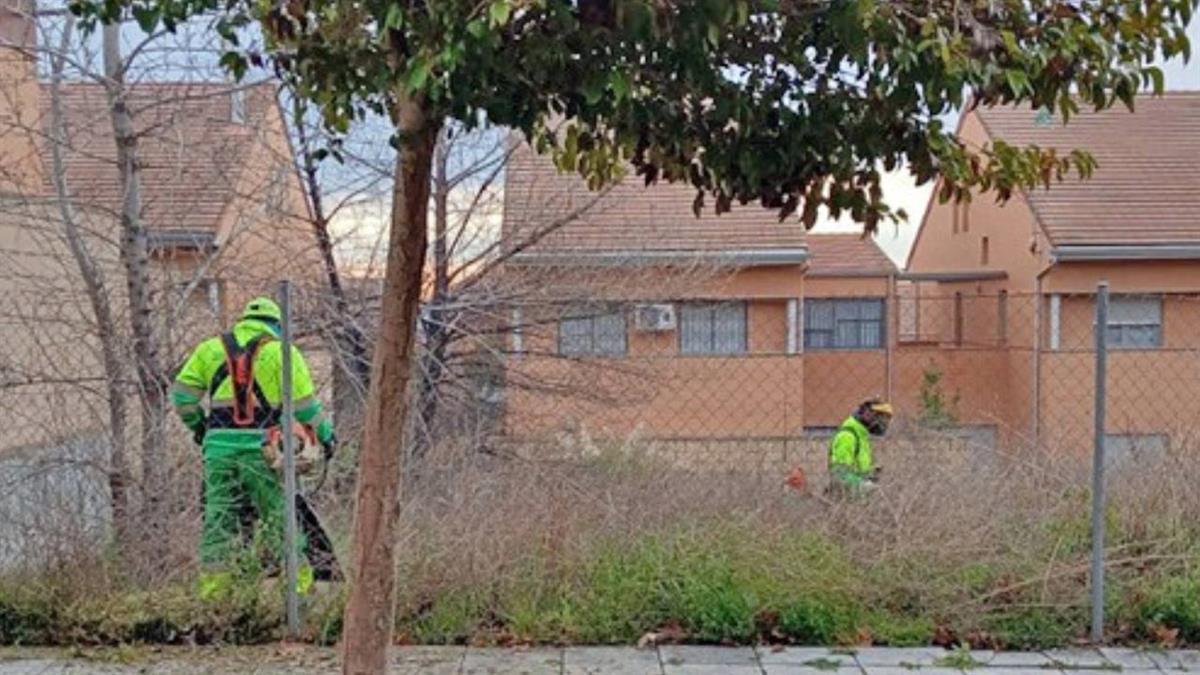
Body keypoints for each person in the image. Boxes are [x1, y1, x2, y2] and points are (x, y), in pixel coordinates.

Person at [171, 297, 336, 600]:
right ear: (276, 326)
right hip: (265, 452)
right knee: (279, 517)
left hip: (218, 452)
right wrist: (326, 437)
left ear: (243, 321)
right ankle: (297, 593)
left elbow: (182, 398)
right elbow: (306, 410)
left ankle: (214, 597)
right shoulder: (283, 353)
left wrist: (200, 429)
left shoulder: (209, 350)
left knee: (218, 521)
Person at [827, 399, 893, 496]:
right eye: (880, 417)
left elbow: (857, 469)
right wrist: (867, 486)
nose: (883, 423)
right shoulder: (848, 436)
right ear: (867, 414)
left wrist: (871, 473)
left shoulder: (861, 435)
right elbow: (840, 476)